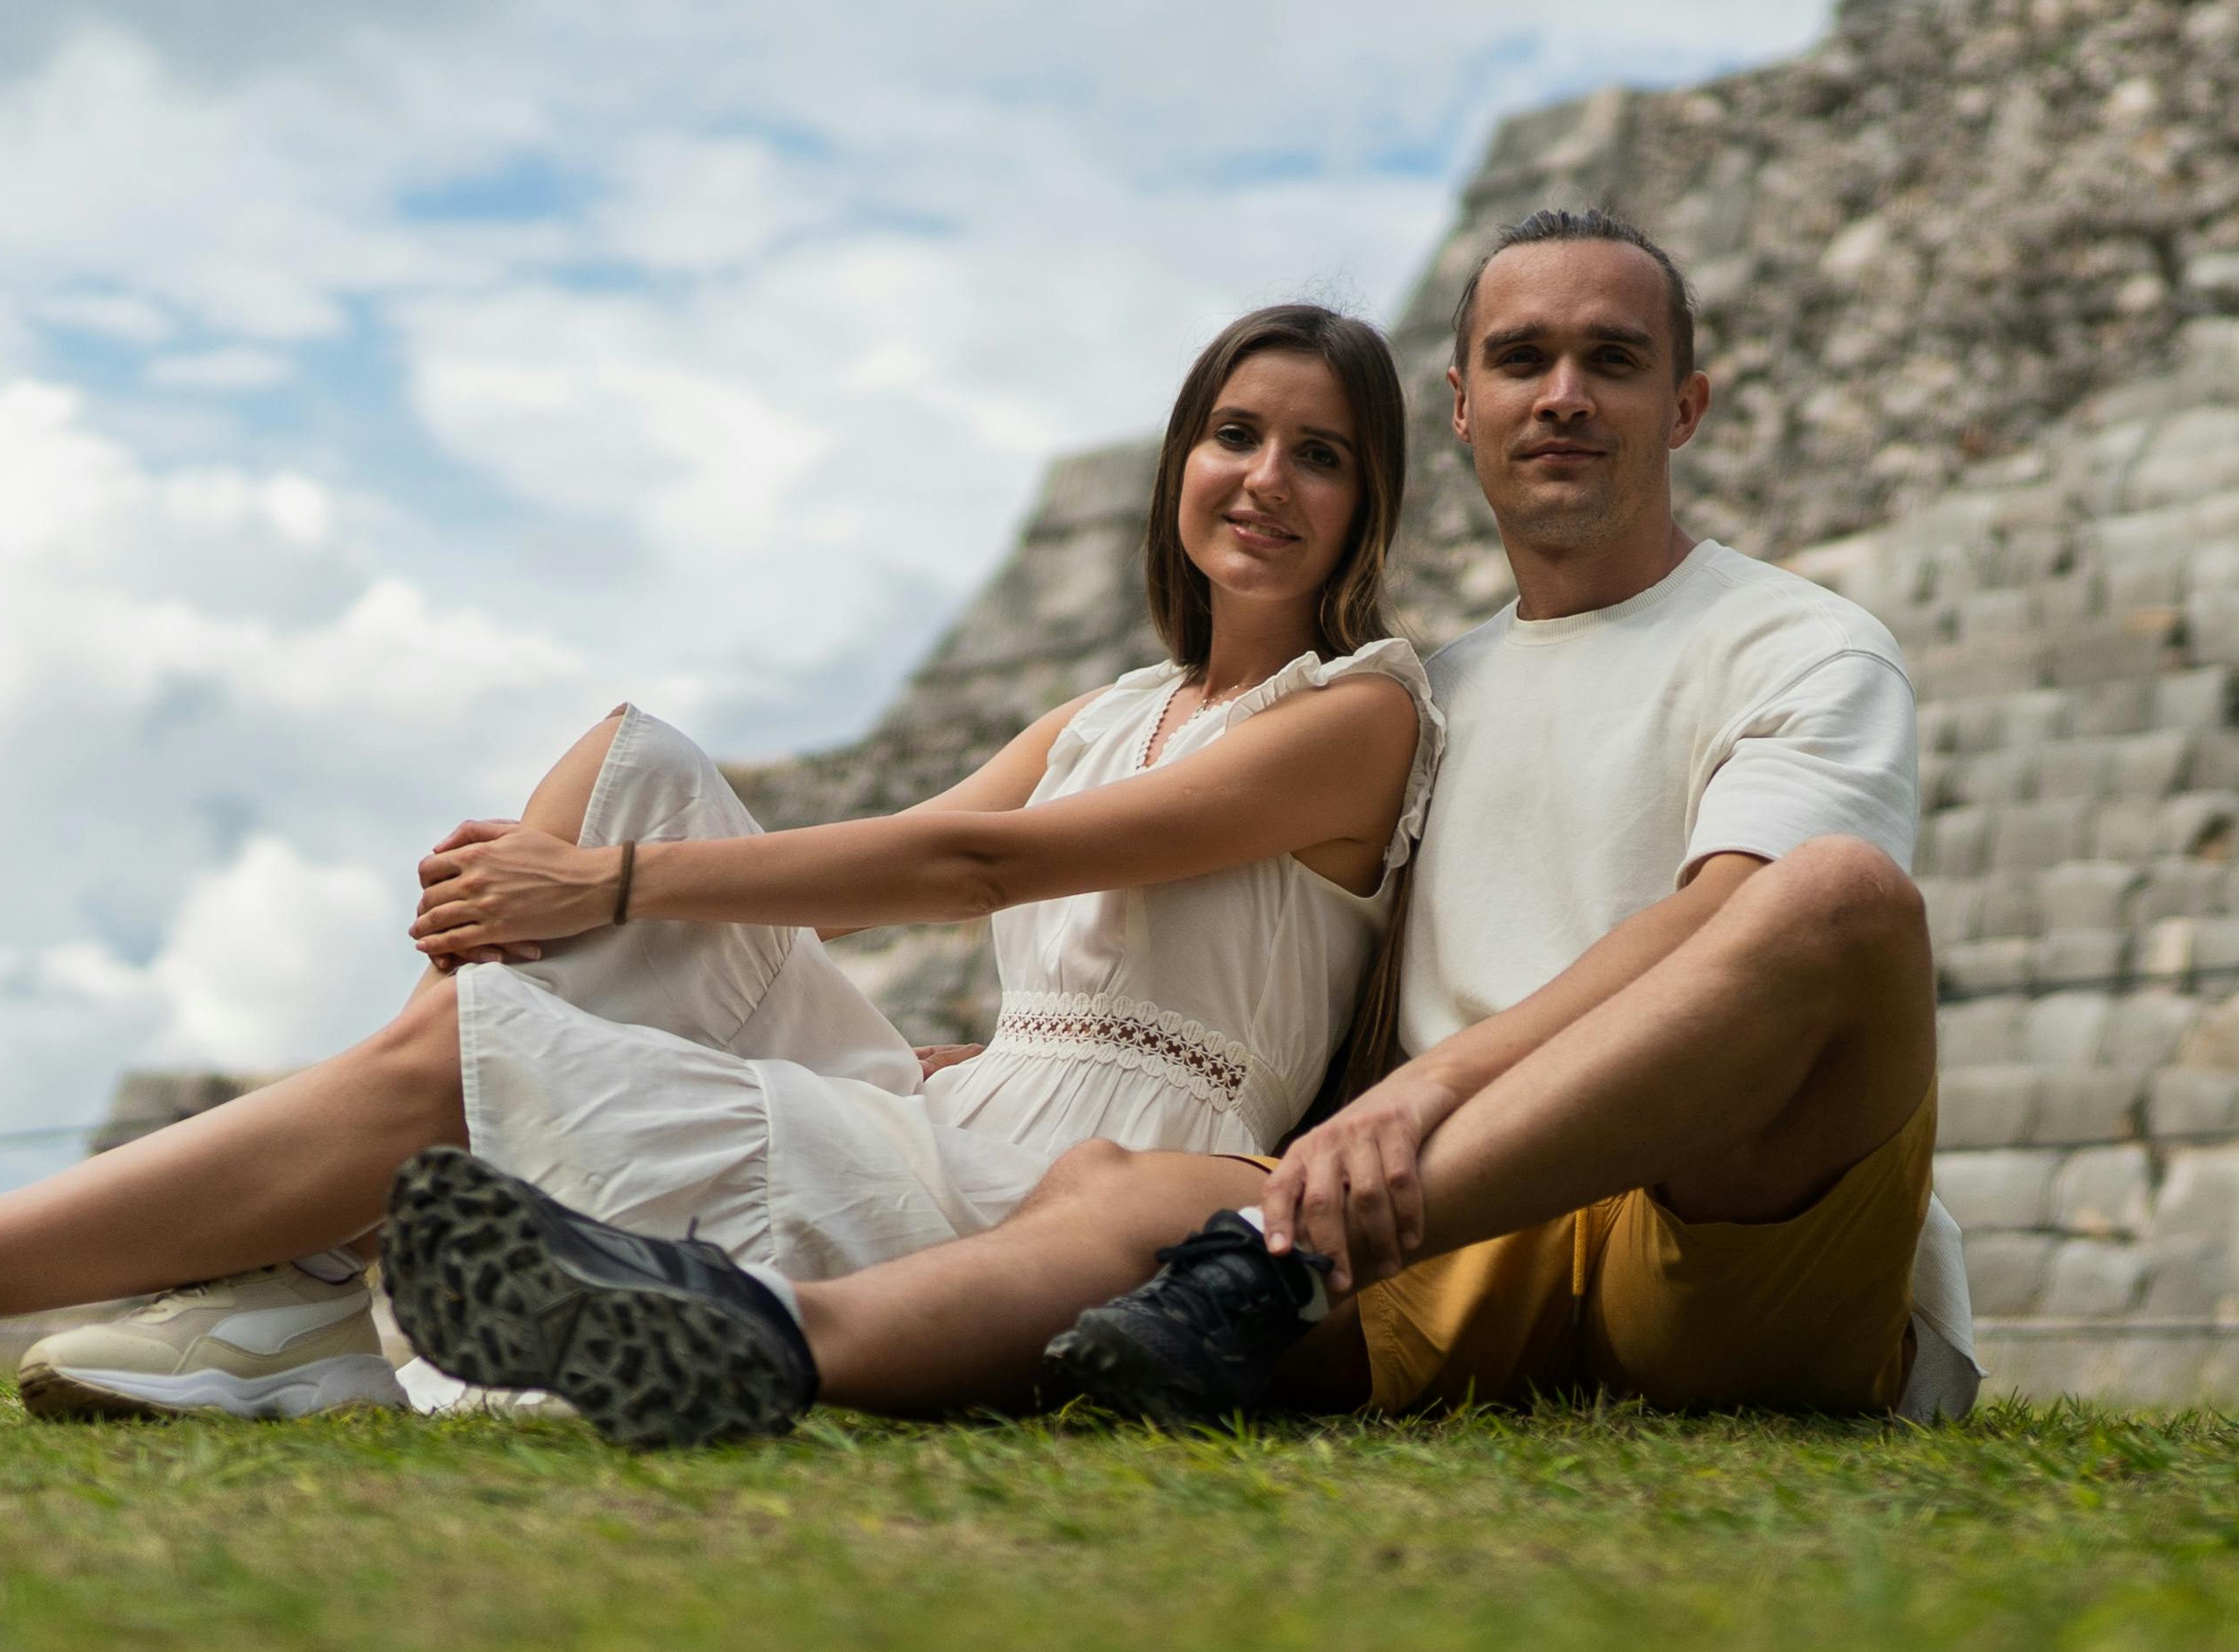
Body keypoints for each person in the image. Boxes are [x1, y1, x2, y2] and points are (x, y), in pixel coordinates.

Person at [0, 304, 1439, 1429]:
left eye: (1318, 454)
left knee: (516, 984)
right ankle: (314, 1268)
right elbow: (886, 890)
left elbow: (963, 860)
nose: (1261, 479)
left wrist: (604, 910)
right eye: (1233, 435)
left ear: (1367, 505)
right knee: (634, 760)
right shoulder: (1118, 699)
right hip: (957, 1111)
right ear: (1181, 465)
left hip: (1046, 1189)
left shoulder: (1359, 714)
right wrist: (599, 874)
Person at [374, 205, 1968, 1448]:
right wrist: (1018, 1066)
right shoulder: (1412, 704)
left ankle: (1264, 1262)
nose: (1565, 395)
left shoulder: (1793, 644)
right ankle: (763, 1338)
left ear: (1684, 404)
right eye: (1524, 360)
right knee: (1124, 1187)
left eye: (1613, 360)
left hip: (1702, 1231)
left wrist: (1418, 1110)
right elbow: (1311, 988)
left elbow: (1729, 923)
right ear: (1465, 412)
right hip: (1419, 1253)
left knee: (1841, 897)